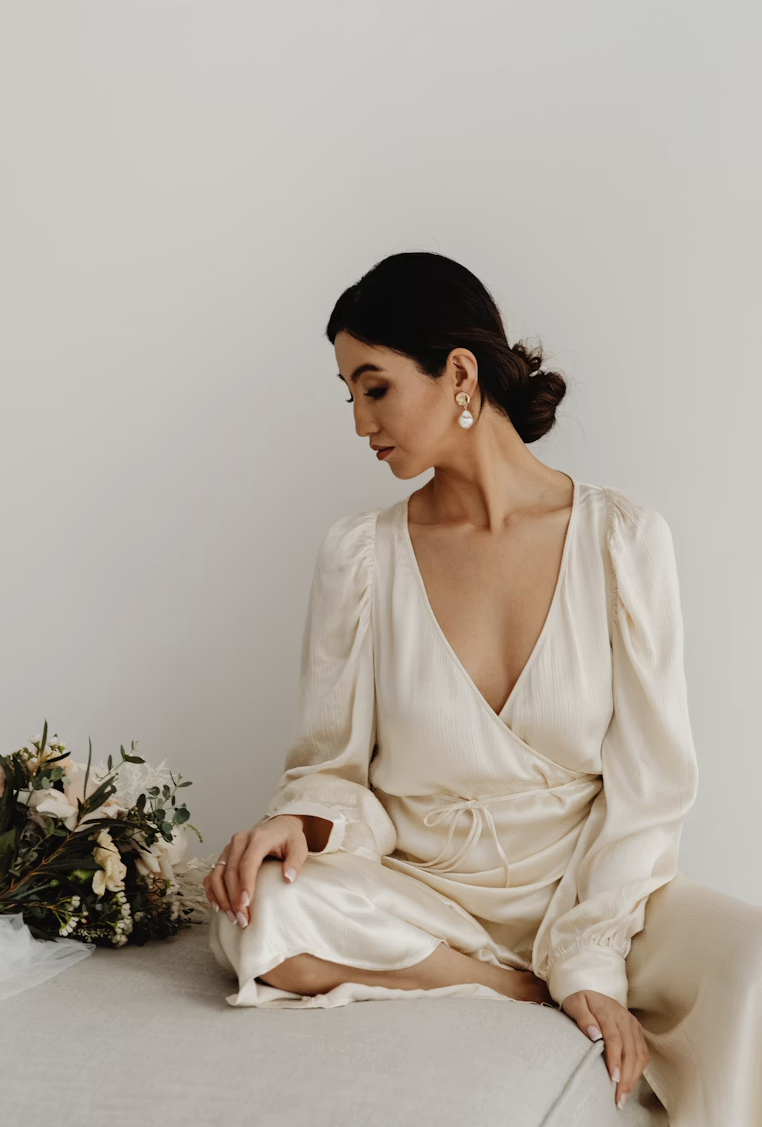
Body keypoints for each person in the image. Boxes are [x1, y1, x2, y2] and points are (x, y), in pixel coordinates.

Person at [204, 251, 762, 1127]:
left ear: (458, 373)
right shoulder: (360, 556)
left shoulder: (622, 539)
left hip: (600, 897)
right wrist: (296, 823)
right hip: (426, 900)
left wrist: (588, 961)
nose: (358, 422)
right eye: (348, 393)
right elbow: (334, 768)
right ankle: (506, 989)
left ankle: (563, 978)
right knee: (257, 909)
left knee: (754, 963)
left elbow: (652, 789)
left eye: (374, 387)